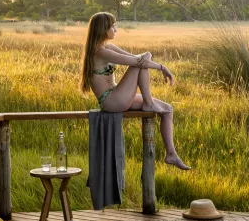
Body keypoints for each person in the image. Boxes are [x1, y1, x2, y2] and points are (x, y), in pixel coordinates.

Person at [80, 12, 190, 170]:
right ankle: (149, 103)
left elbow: (137, 57)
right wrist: (162, 67)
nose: (116, 29)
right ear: (104, 29)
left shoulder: (108, 47)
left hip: (118, 95)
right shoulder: (100, 52)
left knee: (167, 110)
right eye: (112, 26)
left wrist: (148, 55)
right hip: (111, 100)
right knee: (139, 65)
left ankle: (171, 154)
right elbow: (136, 61)